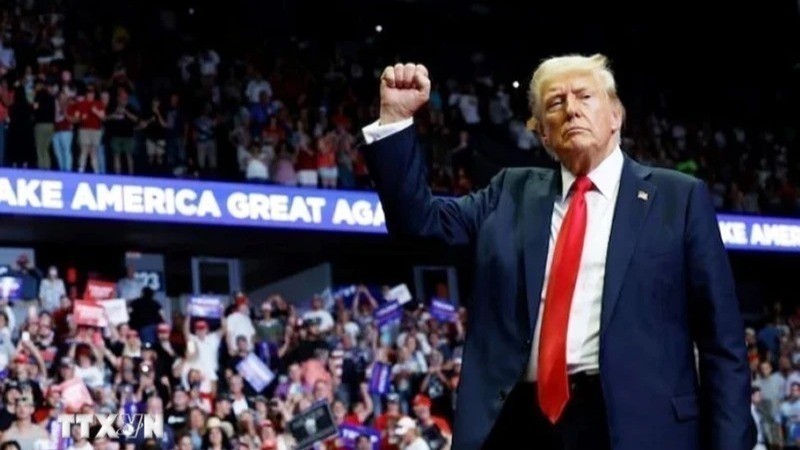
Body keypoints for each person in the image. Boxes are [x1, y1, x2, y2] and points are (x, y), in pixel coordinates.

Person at [360, 54, 754, 450]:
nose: (571, 109)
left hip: (635, 427)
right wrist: (395, 121)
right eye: (555, 102)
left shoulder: (677, 198)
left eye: (585, 96)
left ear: (616, 115)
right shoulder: (509, 193)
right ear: (543, 135)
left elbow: (723, 344)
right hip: (520, 425)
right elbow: (421, 227)